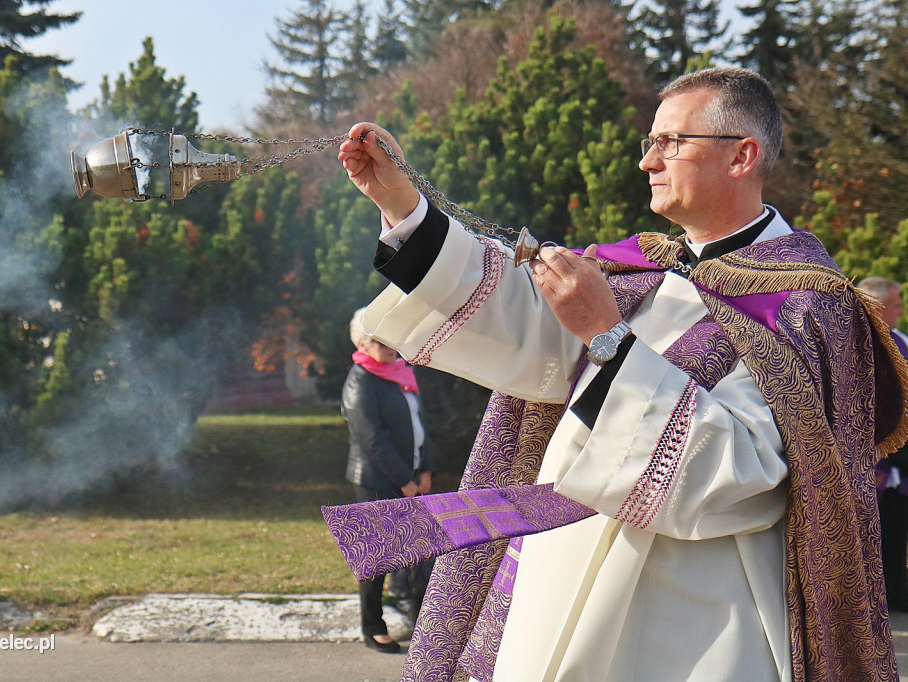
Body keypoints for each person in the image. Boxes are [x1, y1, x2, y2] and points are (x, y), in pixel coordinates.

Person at [334, 66, 908, 681]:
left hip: (693, 615)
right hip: (556, 581)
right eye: (650, 143)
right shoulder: (639, 270)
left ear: (742, 156)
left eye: (672, 143)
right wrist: (402, 205)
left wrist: (606, 337)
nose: (648, 162)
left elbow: (740, 474)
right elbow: (519, 317)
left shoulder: (808, 305)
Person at [341, 306, 434, 653]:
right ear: (363, 343)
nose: (390, 343)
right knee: (376, 556)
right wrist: (403, 480)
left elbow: (419, 425)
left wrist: (425, 469)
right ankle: (372, 626)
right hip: (376, 480)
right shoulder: (360, 382)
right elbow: (372, 440)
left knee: (411, 548)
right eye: (380, 339)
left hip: (409, 476)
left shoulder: (399, 374)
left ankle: (411, 611)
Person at [860, 276, 908, 611]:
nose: (902, 310)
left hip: (901, 459)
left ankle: (895, 595)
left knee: (894, 533)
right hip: (866, 456)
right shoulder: (852, 339)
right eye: (897, 304)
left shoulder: (903, 342)